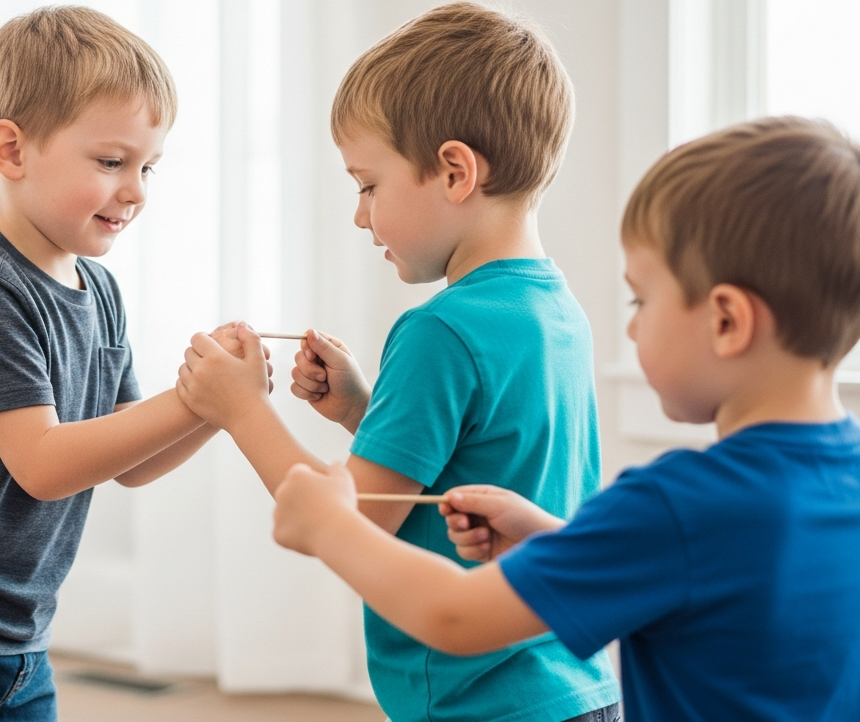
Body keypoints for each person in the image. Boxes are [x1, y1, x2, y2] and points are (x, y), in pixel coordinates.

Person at [271, 116, 860, 720]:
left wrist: (330, 525)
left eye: (642, 299)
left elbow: (456, 616)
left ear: (727, 321)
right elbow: (707, 576)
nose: (630, 327)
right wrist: (556, 539)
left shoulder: (677, 505)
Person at [176, 2, 621, 721]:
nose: (360, 215)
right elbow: (479, 458)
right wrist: (363, 408)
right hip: (577, 686)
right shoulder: (556, 309)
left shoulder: (439, 329)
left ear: (453, 171)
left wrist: (241, 411)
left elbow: (355, 521)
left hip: (482, 701)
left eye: (368, 185)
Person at [0, 5, 263, 722]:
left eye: (148, 167)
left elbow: (127, 455)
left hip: (17, 639)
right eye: (111, 162)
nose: (137, 191)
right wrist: (195, 401)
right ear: (12, 151)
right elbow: (44, 463)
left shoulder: (100, 290)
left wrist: (218, 408)